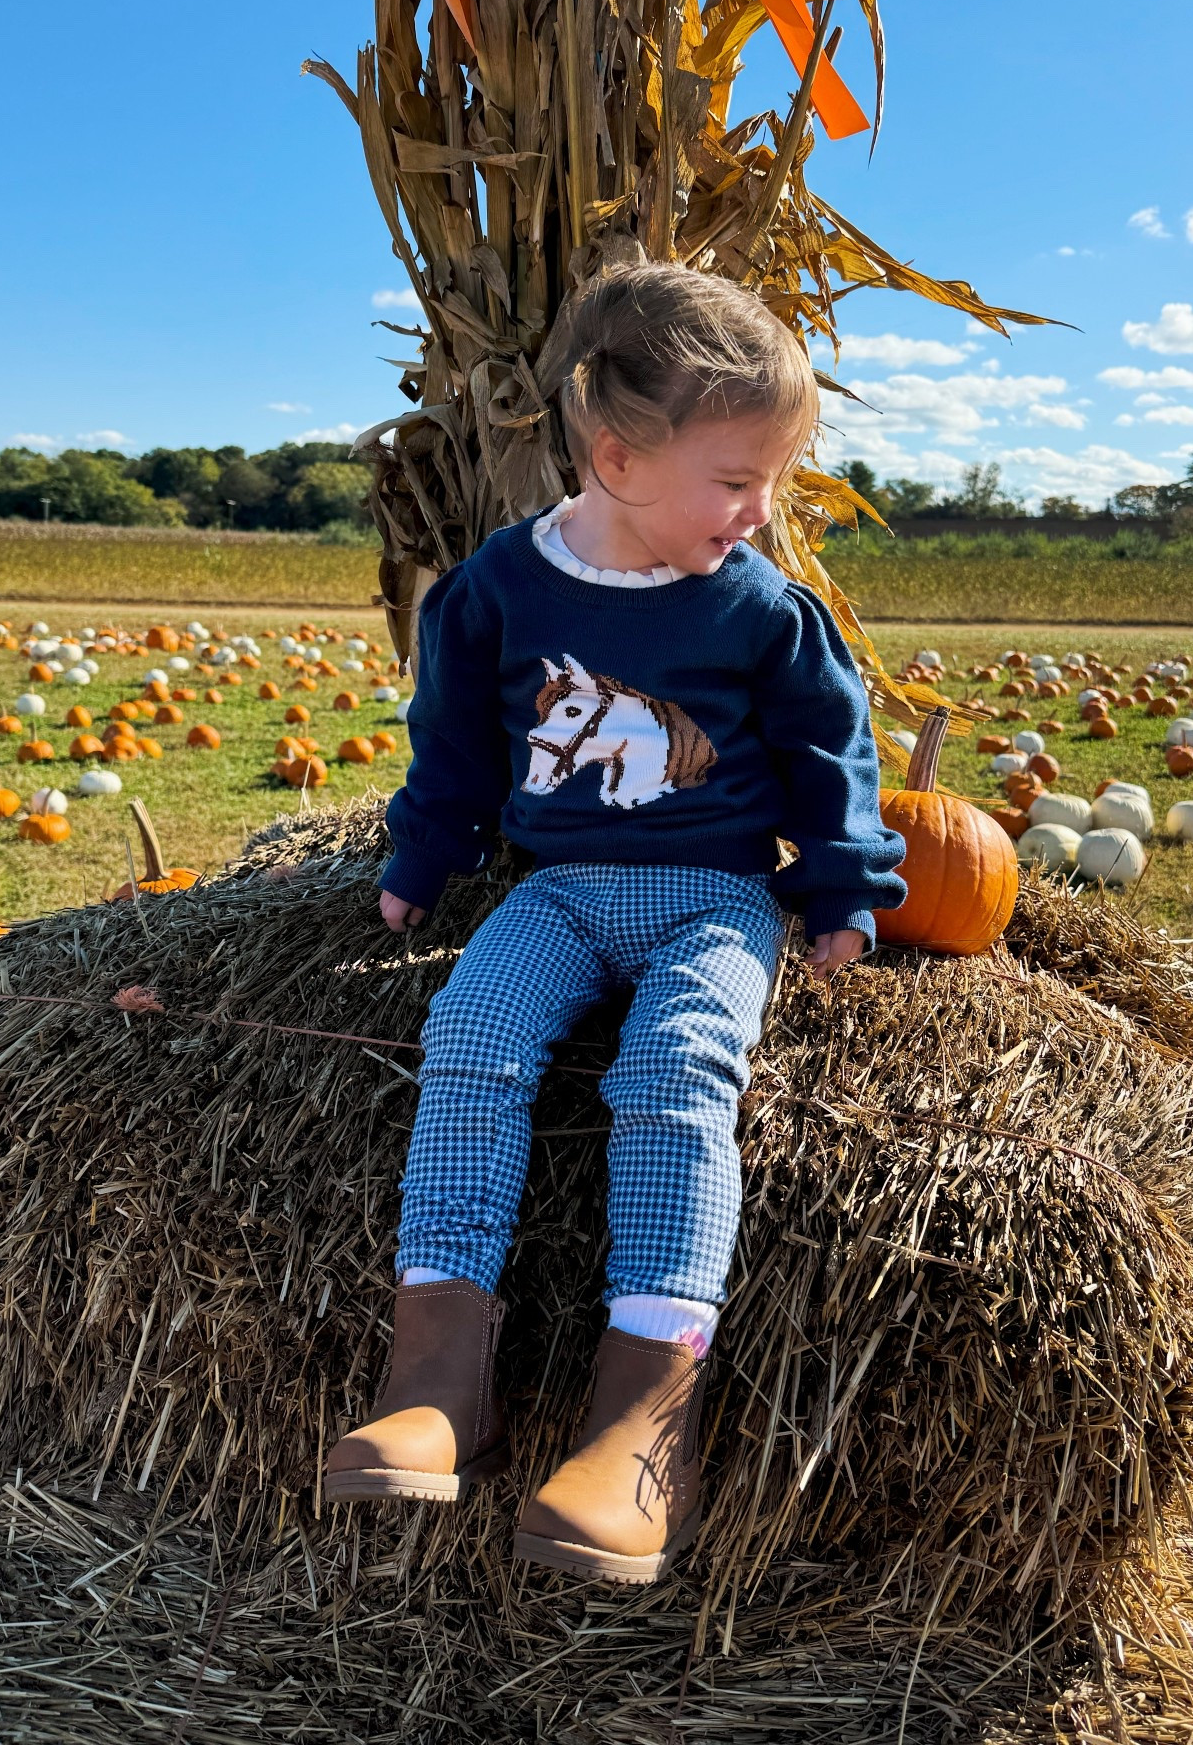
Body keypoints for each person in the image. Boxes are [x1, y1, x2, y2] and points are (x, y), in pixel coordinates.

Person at [322, 262, 907, 1584]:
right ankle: (436, 1379)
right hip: (561, 889)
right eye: (738, 481)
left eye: (774, 485)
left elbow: (831, 750)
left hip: (713, 897)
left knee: (676, 1066)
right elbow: (457, 738)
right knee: (468, 1027)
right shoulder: (500, 591)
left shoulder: (760, 606)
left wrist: (839, 886)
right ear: (616, 455)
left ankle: (646, 1420)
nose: (760, 516)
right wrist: (425, 852)